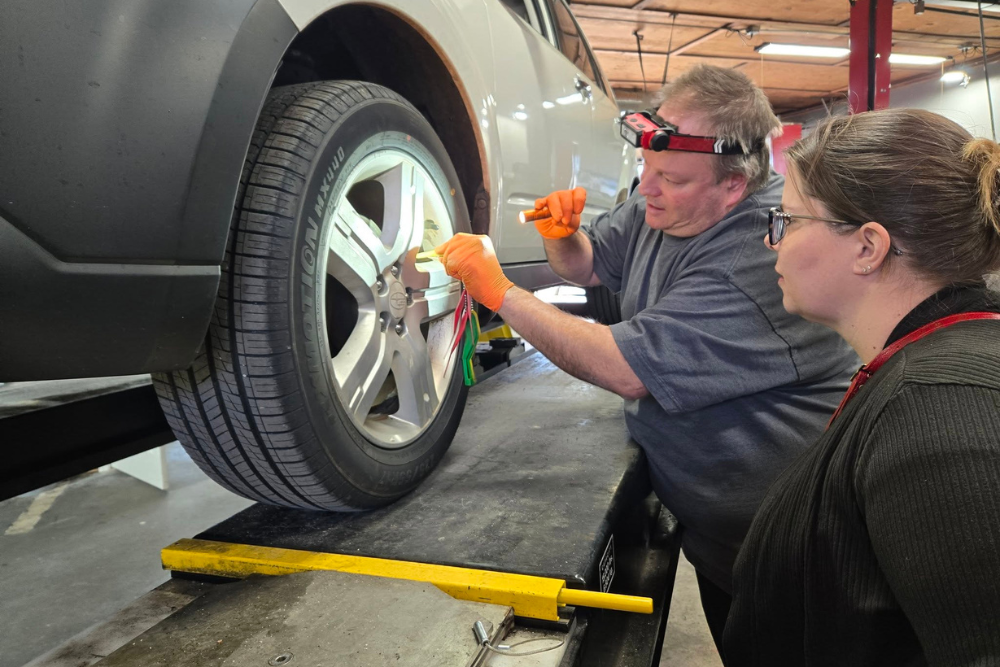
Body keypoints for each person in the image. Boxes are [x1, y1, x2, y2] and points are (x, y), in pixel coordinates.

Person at [434, 64, 858, 645]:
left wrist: (501, 293)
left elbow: (624, 369)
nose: (648, 187)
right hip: (718, 535)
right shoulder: (667, 201)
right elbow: (588, 267)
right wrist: (563, 236)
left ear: (734, 186)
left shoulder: (757, 258)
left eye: (672, 178)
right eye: (647, 169)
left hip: (797, 553)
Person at [723, 108, 1000, 665]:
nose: (771, 242)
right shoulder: (930, 368)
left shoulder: (939, 408)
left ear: (868, 247)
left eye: (788, 220)